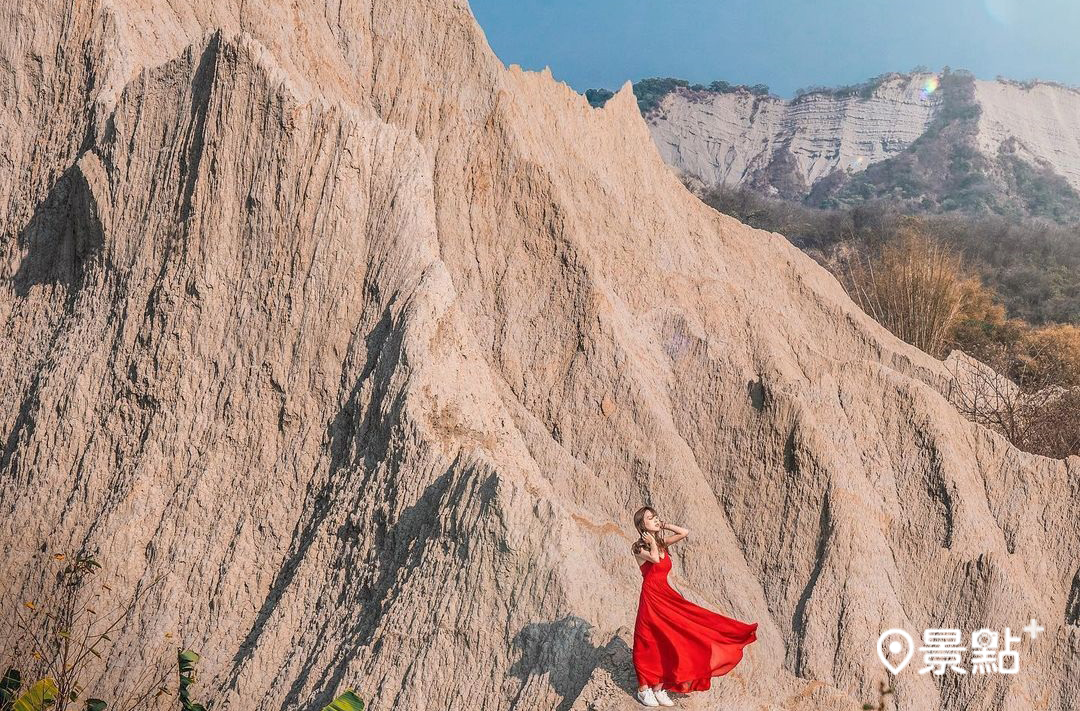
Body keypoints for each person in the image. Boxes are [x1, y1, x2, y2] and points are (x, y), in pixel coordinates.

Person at [630, 506, 758, 707]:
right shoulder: (639, 548)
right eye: (650, 518)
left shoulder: (661, 544)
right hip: (651, 598)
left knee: (671, 638)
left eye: (655, 516)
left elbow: (684, 533)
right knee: (648, 640)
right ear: (641, 525)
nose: (655, 520)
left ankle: (660, 686)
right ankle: (643, 689)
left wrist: (663, 526)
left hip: (666, 596)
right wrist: (652, 541)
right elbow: (654, 559)